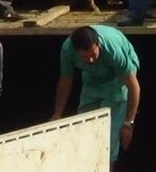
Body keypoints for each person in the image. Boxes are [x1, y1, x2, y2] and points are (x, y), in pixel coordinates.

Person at [51, 25, 140, 164]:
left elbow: (133, 86)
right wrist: (57, 114)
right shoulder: (67, 50)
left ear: (98, 44)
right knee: (84, 129)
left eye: (93, 54)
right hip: (91, 78)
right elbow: (65, 81)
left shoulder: (113, 50)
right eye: (85, 57)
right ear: (76, 52)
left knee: (108, 139)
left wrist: (128, 123)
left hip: (117, 79)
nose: (90, 59)